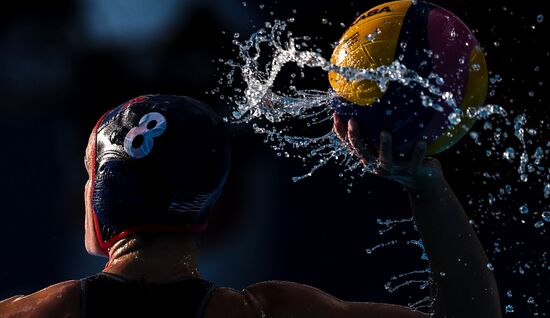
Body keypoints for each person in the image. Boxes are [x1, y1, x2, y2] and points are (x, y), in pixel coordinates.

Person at [0, 94, 502, 318]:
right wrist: (425, 186)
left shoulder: (38, 312)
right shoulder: (267, 313)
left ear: (100, 201)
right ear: (211, 206)